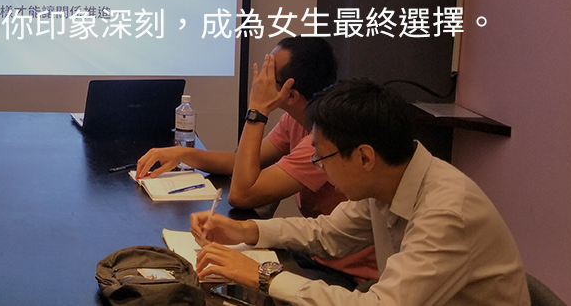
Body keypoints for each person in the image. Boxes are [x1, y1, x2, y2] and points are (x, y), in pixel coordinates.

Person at [191, 79, 530, 306]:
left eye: (321, 157)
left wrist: (262, 274)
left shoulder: (447, 214)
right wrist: (245, 230)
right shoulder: (387, 181)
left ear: (364, 157)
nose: (318, 167)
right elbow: (326, 234)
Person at [137, 37, 376, 287]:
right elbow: (243, 163)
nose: (261, 79)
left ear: (290, 94)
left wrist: (257, 110)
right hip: (316, 255)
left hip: (345, 275)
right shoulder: (295, 120)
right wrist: (183, 154)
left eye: (269, 74)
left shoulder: (322, 142)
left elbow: (241, 194)